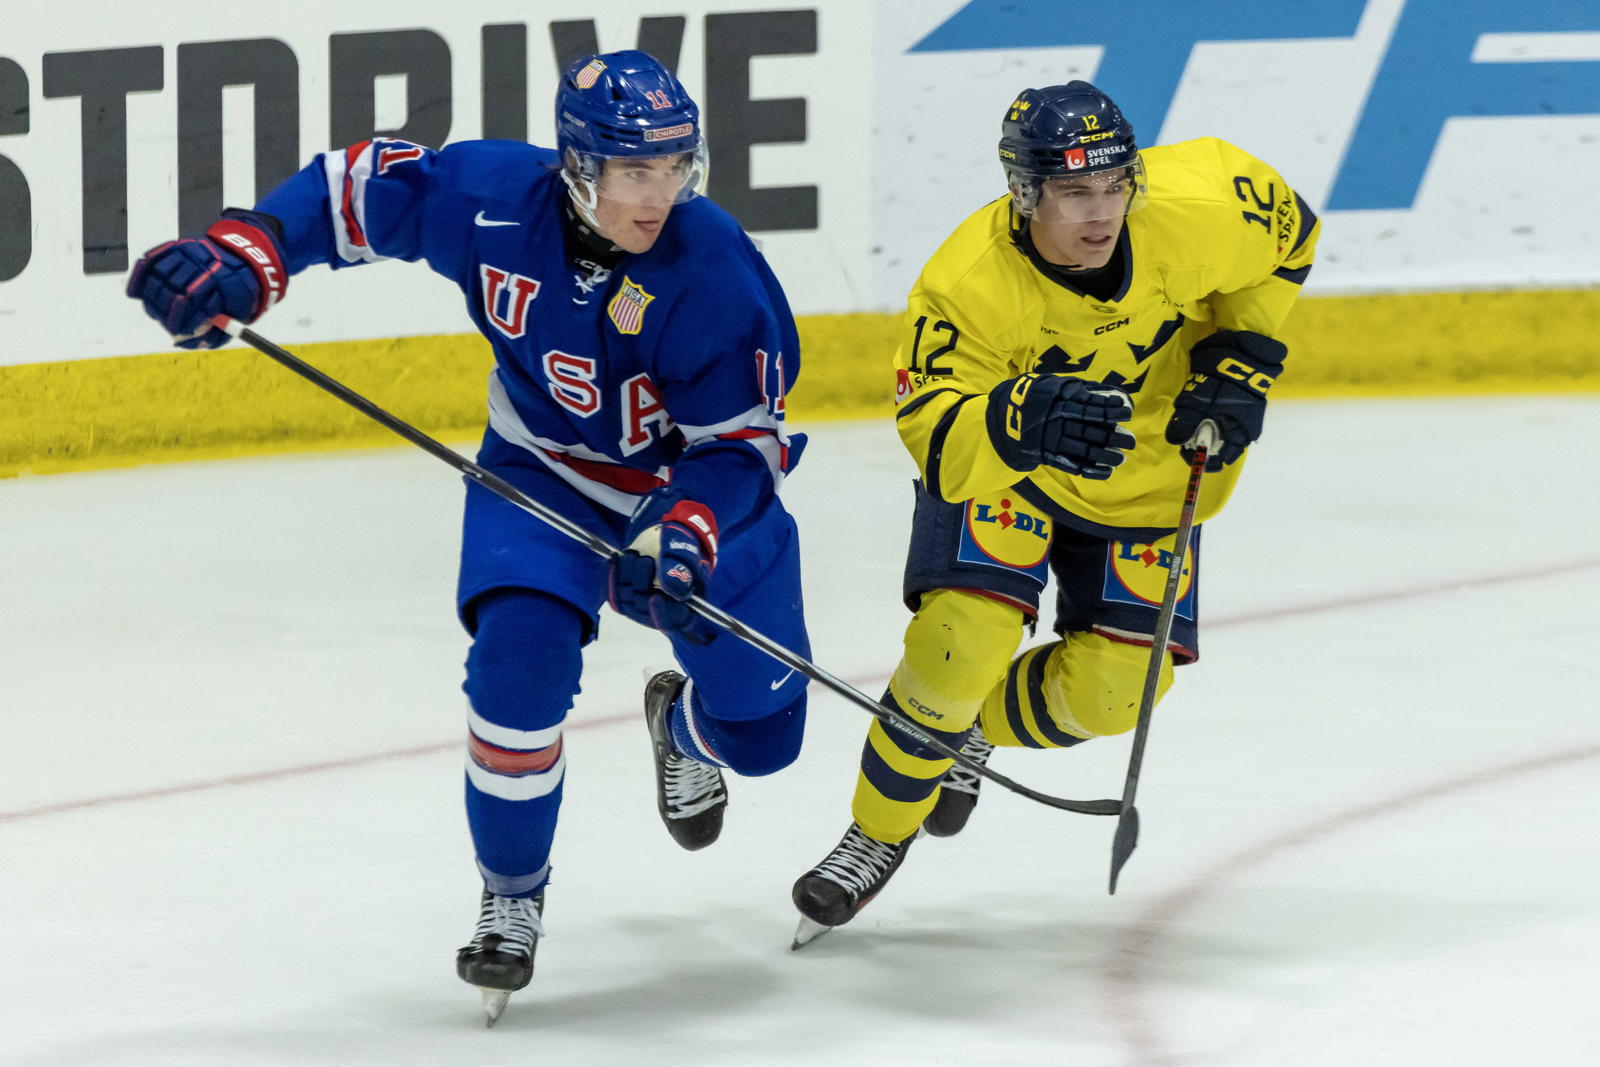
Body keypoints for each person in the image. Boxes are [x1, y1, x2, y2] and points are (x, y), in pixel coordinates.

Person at [126, 50, 812, 1016]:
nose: (658, 195)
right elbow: (350, 191)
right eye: (633, 172)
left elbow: (743, 444)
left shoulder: (716, 268)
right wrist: (246, 252)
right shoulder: (493, 198)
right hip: (541, 480)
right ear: (577, 166)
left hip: (686, 506)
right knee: (515, 667)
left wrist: (689, 526)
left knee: (764, 738)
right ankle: (511, 896)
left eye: (676, 168)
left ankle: (684, 727)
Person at [790, 80, 1320, 940]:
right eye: (1075, 191)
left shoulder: (1197, 208)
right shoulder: (968, 283)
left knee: (1116, 695)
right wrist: (1015, 418)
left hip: (1149, 474)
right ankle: (874, 833)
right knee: (959, 643)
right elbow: (931, 433)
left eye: (1115, 186)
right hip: (1014, 472)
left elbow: (1290, 232)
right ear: (1026, 191)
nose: (1102, 211)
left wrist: (1244, 354)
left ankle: (962, 734)